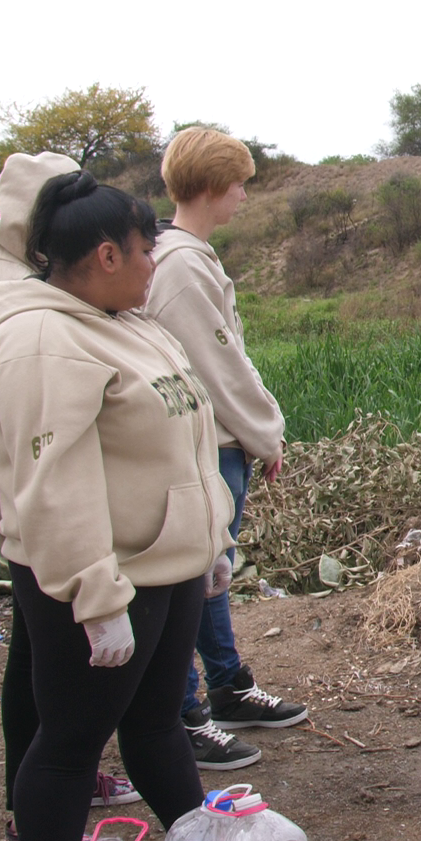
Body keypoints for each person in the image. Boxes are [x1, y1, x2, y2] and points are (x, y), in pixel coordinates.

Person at [0, 171, 232, 841]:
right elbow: (54, 482)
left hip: (164, 567)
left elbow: (182, 437)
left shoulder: (127, 324)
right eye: (148, 250)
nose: (157, 265)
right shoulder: (41, 340)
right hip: (104, 577)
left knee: (155, 728)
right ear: (109, 255)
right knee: (69, 746)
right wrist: (96, 595)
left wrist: (210, 542)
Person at [0, 152, 142, 841]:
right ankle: (31, 812)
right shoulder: (11, 291)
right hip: (31, 501)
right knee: (43, 665)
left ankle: (46, 791)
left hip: (30, 497)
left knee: (38, 658)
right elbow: (41, 429)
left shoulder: (27, 275)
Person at [145, 128, 307, 771]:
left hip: (213, 438)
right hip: (208, 441)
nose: (244, 194)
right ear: (211, 187)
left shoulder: (181, 254)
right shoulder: (182, 263)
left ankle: (227, 687)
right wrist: (266, 431)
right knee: (196, 574)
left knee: (212, 568)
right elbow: (219, 367)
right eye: (238, 183)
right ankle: (187, 713)